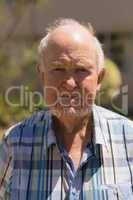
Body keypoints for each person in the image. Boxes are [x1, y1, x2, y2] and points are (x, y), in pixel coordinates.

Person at [0, 18, 133, 200]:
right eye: (58, 69)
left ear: (99, 79)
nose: (70, 83)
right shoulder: (15, 143)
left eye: (81, 70)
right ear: (42, 75)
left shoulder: (129, 139)